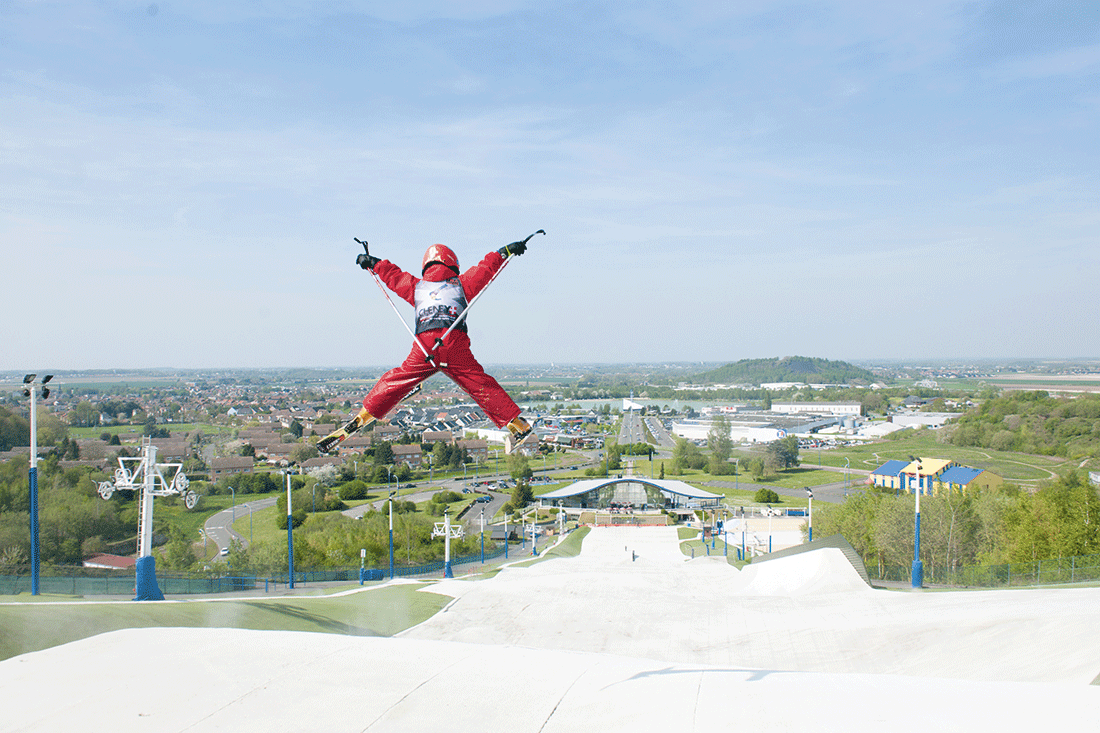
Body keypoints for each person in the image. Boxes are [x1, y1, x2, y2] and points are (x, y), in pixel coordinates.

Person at [318, 239, 532, 453]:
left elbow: (394, 277)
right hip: (454, 343)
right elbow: (485, 270)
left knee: (398, 379)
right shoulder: (462, 284)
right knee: (479, 384)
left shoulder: (416, 287)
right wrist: (505, 252)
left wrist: (373, 263)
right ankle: (517, 424)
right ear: (452, 263)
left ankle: (363, 416)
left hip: (425, 347)